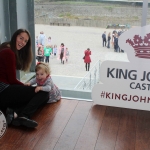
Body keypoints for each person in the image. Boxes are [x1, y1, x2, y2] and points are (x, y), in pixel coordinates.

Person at [0, 29, 49, 128]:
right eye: (21, 38)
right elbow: (12, 80)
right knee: (44, 94)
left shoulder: (5, 46)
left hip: (3, 91)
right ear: (15, 36)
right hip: (3, 91)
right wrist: (26, 87)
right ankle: (22, 115)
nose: (22, 43)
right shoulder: (9, 53)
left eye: (25, 41)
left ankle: (13, 113)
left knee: (31, 94)